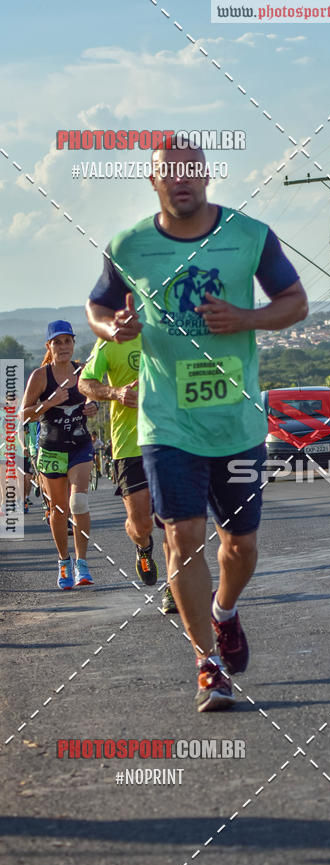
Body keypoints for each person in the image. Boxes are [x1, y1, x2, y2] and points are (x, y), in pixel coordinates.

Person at [86, 141, 307, 711]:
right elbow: (99, 307)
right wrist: (114, 329)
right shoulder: (129, 246)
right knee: (181, 539)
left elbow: (296, 302)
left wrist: (249, 318)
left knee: (241, 546)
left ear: (206, 176)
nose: (181, 181)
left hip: (235, 423)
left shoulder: (249, 234)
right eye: (169, 174)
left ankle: (224, 611)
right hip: (166, 424)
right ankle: (208, 664)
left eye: (191, 171)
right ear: (152, 182)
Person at [79, 335, 176, 609]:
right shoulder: (109, 341)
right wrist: (116, 393)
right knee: (141, 524)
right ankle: (143, 546)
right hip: (129, 445)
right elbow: (85, 383)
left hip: (171, 439)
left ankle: (173, 586)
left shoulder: (165, 332)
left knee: (175, 520)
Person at [21, 321, 98, 589]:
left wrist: (93, 406)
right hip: (51, 448)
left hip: (79, 446)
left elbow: (94, 396)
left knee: (78, 503)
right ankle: (63, 561)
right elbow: (23, 415)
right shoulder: (40, 377)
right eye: (58, 342)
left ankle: (82, 564)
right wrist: (49, 403)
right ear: (49, 346)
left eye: (68, 341)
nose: (63, 346)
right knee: (59, 509)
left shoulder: (83, 371)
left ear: (73, 344)